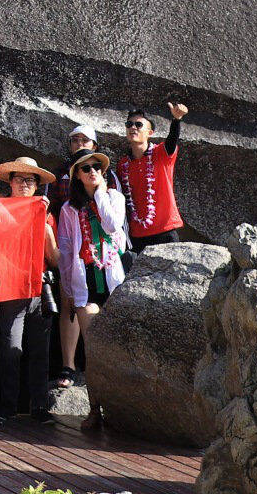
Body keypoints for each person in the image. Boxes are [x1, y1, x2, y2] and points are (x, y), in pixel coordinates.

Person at [0, 156, 62, 421]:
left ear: (37, 186)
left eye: (30, 180)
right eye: (19, 179)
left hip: (40, 290)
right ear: (10, 182)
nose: (24, 184)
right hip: (11, 290)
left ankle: (39, 407)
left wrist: (47, 232)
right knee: (10, 348)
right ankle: (8, 404)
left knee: (40, 351)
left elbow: (55, 260)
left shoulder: (46, 215)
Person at [54, 147, 128, 385]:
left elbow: (112, 225)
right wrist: (67, 287)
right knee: (93, 342)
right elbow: (66, 251)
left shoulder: (115, 198)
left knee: (116, 339)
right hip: (85, 278)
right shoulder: (69, 209)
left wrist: (100, 195)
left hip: (112, 276)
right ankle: (97, 397)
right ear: (77, 175)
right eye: (86, 168)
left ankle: (116, 392)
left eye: (97, 167)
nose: (92, 171)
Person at [114, 101, 188, 251]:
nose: (133, 127)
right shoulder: (123, 165)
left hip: (165, 230)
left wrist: (176, 120)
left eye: (139, 125)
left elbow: (172, 140)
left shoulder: (161, 154)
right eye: (129, 124)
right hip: (137, 235)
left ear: (150, 132)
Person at [45, 126, 97, 213]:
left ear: (94, 146)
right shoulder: (59, 173)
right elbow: (49, 208)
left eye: (85, 140)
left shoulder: (106, 173)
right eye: (75, 140)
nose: (79, 144)